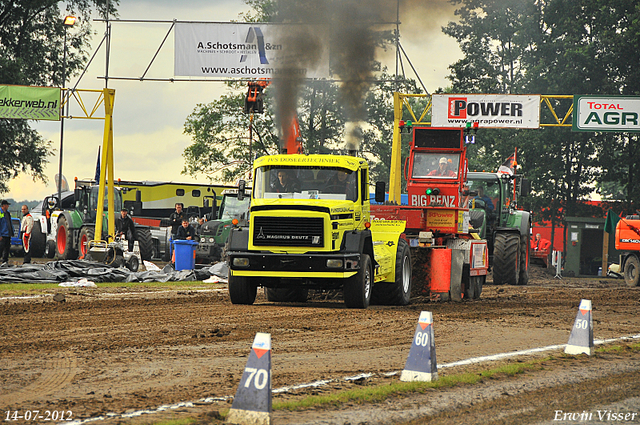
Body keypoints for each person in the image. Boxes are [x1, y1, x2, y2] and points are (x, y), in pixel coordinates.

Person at [0, 200, 14, 266]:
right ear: (4, 205)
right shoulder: (0, 212)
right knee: (1, 248)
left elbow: (10, 223)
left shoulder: (7, 213)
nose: (8, 206)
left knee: (7, 249)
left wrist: (12, 232)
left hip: (8, 234)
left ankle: (5, 262)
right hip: (2, 234)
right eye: (7, 205)